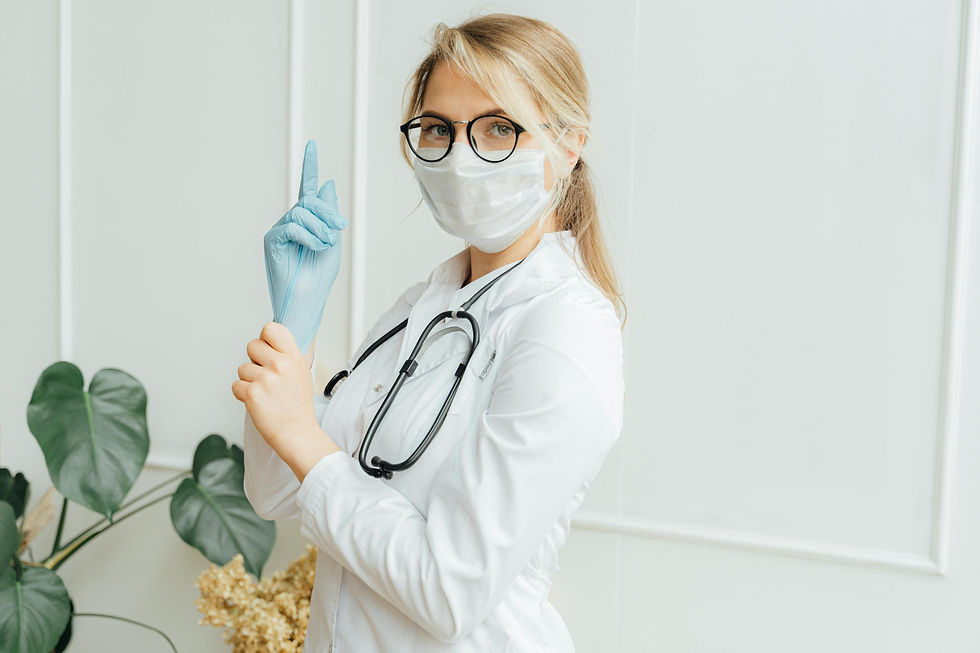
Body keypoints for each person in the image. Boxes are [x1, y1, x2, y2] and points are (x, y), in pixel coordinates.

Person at [231, 12, 626, 652]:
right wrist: (295, 330)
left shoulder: (565, 330)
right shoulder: (425, 308)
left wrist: (303, 433)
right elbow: (274, 492)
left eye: (499, 128)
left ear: (569, 145)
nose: (463, 156)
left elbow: (449, 589)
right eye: (439, 128)